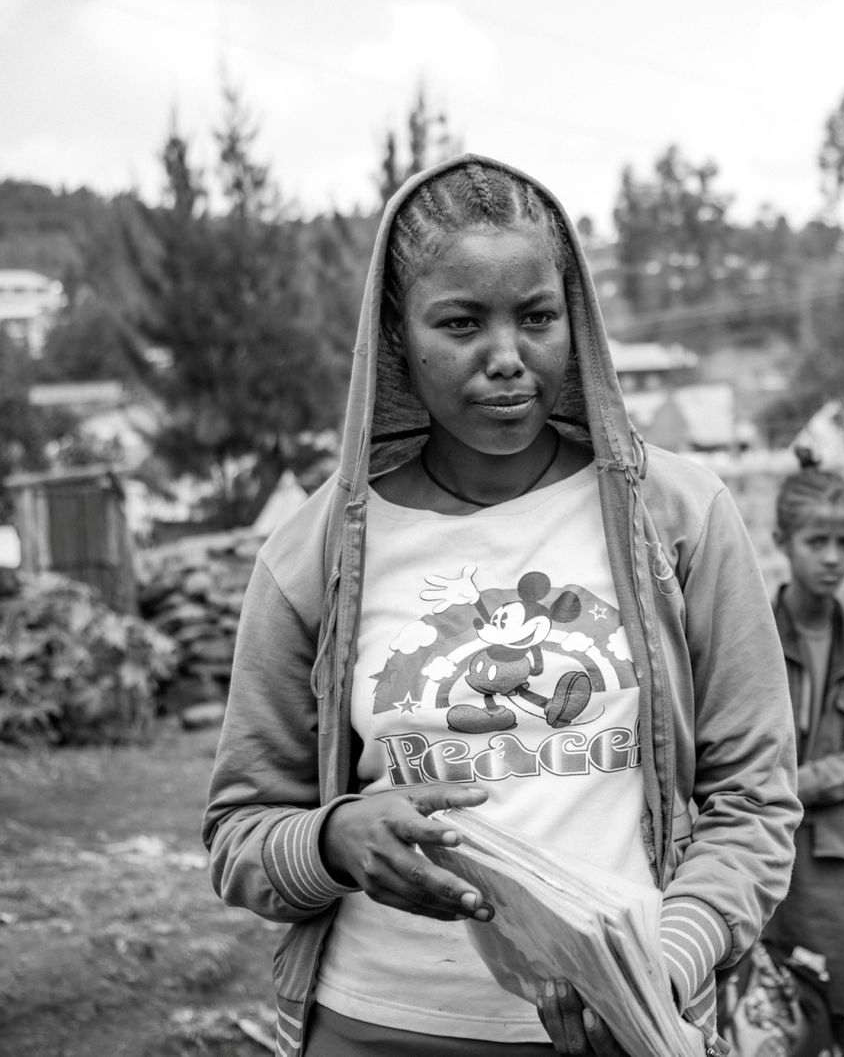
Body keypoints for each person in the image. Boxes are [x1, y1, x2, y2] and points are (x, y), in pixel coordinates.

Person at [203, 154, 800, 1057]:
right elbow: (239, 833)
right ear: (396, 340)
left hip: (622, 1028)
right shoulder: (315, 554)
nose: (508, 359)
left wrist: (658, 970)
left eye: (537, 317)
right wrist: (333, 841)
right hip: (374, 1025)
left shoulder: (677, 520)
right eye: (460, 323)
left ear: (577, 319)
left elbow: (752, 800)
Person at [759, 448, 844, 1057]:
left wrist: (780, 785)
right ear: (783, 542)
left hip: (830, 853)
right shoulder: (751, 634)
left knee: (842, 1002)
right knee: (757, 996)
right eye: (817, 542)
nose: (833, 558)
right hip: (755, 841)